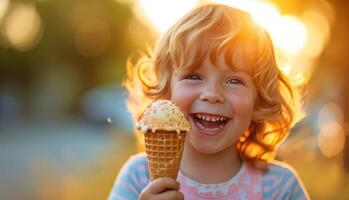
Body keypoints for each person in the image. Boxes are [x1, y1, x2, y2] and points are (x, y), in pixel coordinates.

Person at [108, 3, 310, 200]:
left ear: (259, 100)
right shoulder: (138, 178)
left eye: (234, 80)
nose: (212, 94)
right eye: (194, 76)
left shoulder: (279, 187)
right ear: (167, 91)